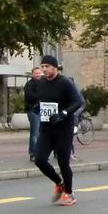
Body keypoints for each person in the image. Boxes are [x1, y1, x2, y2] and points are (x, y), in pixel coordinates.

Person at [34, 55, 85, 206]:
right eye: (42, 66)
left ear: (55, 68)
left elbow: (78, 102)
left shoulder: (65, 83)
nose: (44, 69)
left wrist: (63, 114)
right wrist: (37, 107)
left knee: (63, 162)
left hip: (63, 128)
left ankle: (69, 193)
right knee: (40, 159)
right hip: (46, 128)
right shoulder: (41, 83)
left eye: (47, 66)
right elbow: (42, 100)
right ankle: (59, 183)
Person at [24, 67, 43, 162]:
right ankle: (33, 153)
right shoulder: (29, 84)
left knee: (40, 133)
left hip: (41, 110)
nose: (38, 75)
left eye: (39, 73)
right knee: (35, 133)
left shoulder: (42, 83)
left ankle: (39, 153)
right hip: (33, 110)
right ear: (32, 74)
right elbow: (29, 96)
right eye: (36, 73)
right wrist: (41, 97)